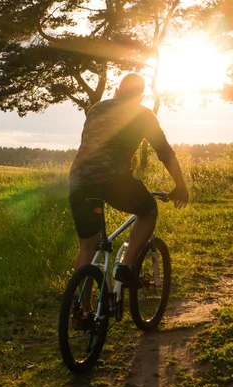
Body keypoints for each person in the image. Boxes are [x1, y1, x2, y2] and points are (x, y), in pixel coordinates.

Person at [69, 73, 189, 291]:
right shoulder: (143, 115)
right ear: (140, 97)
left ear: (116, 92)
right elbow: (164, 152)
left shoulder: (96, 109)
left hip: (79, 179)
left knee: (87, 248)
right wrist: (180, 185)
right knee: (149, 210)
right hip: (112, 179)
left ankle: (83, 311)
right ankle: (125, 266)